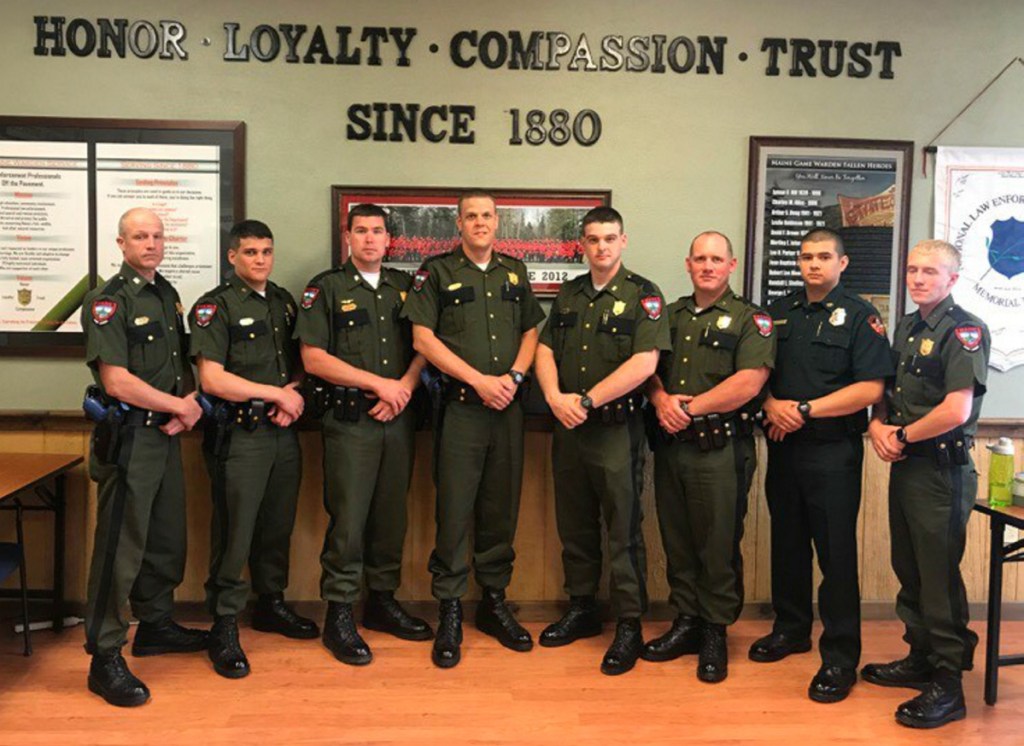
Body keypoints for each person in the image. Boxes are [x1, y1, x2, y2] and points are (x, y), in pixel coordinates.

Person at [401, 190, 545, 668]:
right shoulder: (436, 273)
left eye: (487, 215)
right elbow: (423, 337)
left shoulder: (513, 271)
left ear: (497, 223)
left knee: (500, 507)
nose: (479, 222)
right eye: (471, 216)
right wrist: (480, 381)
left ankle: (493, 603)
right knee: (455, 507)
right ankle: (449, 609)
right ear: (457, 224)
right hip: (462, 408)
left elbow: (530, 330)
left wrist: (515, 378)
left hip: (508, 408)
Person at [750, 227, 893, 703]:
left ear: (842, 263)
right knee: (786, 544)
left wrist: (803, 410)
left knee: (834, 554)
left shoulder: (860, 316)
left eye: (824, 257)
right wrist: (771, 403)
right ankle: (791, 630)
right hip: (784, 445)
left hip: (834, 451)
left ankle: (839, 656)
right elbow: (757, 371)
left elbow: (871, 390)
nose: (814, 264)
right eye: (807, 256)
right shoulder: (778, 313)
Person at [81, 207, 208, 707]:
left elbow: (178, 365)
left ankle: (154, 626)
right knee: (121, 548)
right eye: (140, 236)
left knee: (165, 538)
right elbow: (116, 380)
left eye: (156, 235)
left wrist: (185, 408)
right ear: (121, 243)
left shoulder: (167, 295)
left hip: (167, 434)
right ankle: (105, 656)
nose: (150, 243)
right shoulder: (107, 301)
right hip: (132, 438)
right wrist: (178, 405)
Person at [533, 207, 668, 675]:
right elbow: (545, 349)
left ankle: (628, 623)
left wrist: (585, 401)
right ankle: (583, 608)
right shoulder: (570, 294)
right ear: (583, 245)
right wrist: (553, 396)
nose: (601, 247)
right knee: (575, 524)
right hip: (568, 429)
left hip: (613, 429)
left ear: (623, 241)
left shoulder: (643, 295)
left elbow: (645, 364)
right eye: (593, 239)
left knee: (623, 527)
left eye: (609, 238)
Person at [296, 203, 432, 666]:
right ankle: (339, 613)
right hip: (351, 421)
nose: (370, 238)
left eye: (378, 231)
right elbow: (313, 359)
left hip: (398, 418)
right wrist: (379, 385)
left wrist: (405, 388)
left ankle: (381, 602)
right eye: (361, 231)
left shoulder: (404, 287)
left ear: (389, 239)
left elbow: (424, 345)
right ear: (347, 237)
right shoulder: (327, 288)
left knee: (391, 516)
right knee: (349, 519)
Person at [863, 239, 989, 729]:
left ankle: (949, 681)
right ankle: (919, 657)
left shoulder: (964, 330)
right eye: (913, 269)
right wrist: (879, 425)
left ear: (952, 279)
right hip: (908, 463)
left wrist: (900, 434)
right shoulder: (909, 324)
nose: (918, 278)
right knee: (909, 567)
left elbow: (956, 409)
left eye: (930, 272)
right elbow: (889, 391)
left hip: (940, 469)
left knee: (937, 576)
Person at [643, 231, 774, 682]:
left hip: (720, 448)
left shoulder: (750, 319)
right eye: (700, 258)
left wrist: (687, 408)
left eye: (717, 259)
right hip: (673, 446)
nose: (708, 266)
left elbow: (749, 383)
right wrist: (661, 400)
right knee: (677, 539)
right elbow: (649, 369)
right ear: (688, 263)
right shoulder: (671, 315)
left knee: (716, 543)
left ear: (731, 265)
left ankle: (715, 629)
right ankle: (687, 622)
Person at [189, 220, 317, 679]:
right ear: (232, 257)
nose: (259, 260)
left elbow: (300, 365)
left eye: (266, 251)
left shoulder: (282, 301)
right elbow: (212, 378)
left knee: (276, 525)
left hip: (282, 432)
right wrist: (274, 394)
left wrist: (292, 395)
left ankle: (271, 604)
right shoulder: (215, 307)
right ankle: (224, 623)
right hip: (239, 437)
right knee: (235, 529)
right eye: (249, 252)